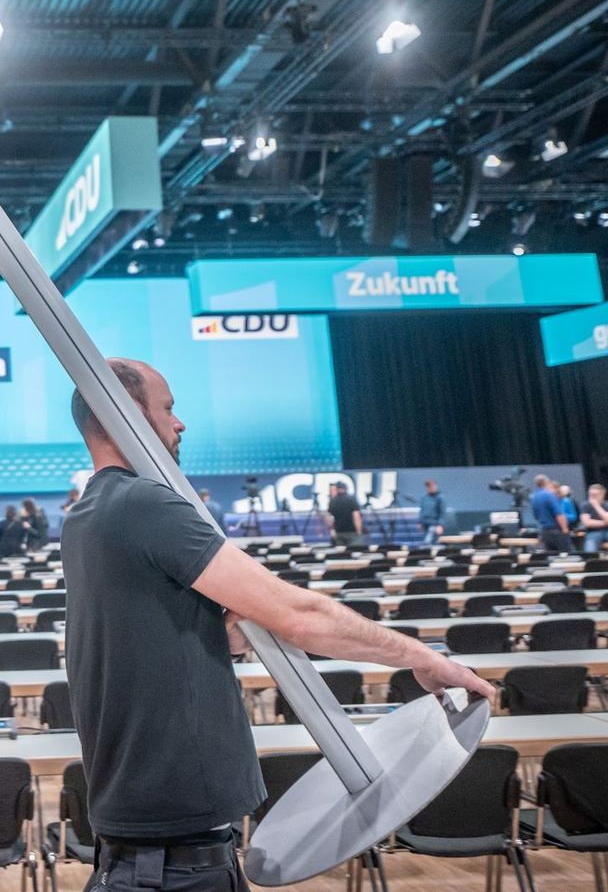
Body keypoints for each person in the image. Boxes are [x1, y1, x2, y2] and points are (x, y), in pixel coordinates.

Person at [63, 358, 495, 891]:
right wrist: (426, 658)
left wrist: (231, 631)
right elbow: (303, 616)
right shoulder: (144, 504)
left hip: (153, 848)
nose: (180, 424)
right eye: (169, 408)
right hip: (170, 864)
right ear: (125, 412)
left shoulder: (89, 514)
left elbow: (148, 644)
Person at [530, 477, 573, 554]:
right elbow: (558, 514)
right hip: (556, 530)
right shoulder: (549, 495)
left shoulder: (534, 496)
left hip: (544, 532)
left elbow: (536, 516)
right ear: (547, 483)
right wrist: (565, 529)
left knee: (551, 557)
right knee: (567, 555)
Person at [327, 481, 363, 547]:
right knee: (354, 551)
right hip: (352, 532)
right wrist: (359, 531)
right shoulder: (352, 499)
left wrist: (332, 529)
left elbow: (328, 517)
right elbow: (356, 516)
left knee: (341, 554)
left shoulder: (333, 501)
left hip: (339, 532)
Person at [580, 484, 608, 554]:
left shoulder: (606, 505)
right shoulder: (585, 505)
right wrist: (604, 522)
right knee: (590, 550)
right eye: (591, 495)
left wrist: (596, 505)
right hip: (593, 532)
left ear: (602, 495)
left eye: (595, 495)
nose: (592, 497)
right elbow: (587, 523)